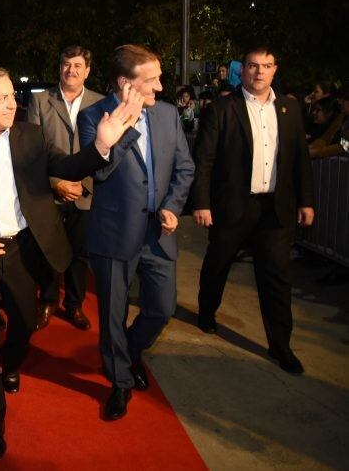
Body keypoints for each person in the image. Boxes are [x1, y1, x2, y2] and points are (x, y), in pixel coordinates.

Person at [0, 63, 143, 459]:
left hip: (22, 250)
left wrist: (100, 146)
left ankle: (11, 363)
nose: (14, 103)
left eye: (13, 94)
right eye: (3, 98)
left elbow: (66, 167)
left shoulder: (30, 136)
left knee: (25, 324)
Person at [78, 44, 194, 421]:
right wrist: (125, 124)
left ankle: (126, 352)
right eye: (152, 80)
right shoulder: (93, 116)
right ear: (125, 84)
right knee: (112, 314)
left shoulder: (168, 115)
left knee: (161, 308)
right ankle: (120, 382)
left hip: (158, 234)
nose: (160, 87)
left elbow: (184, 168)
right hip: (114, 233)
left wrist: (173, 207)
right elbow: (100, 172)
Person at [191, 46, 314, 374]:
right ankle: (207, 312)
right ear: (243, 70)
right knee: (217, 265)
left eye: (267, 66)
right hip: (232, 207)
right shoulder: (222, 108)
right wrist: (201, 203)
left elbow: (300, 158)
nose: (260, 72)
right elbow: (203, 159)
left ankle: (280, 345)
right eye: (253, 66)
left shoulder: (289, 108)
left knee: (276, 278)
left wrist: (306, 200)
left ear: (275, 70)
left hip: (275, 211)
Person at [27, 45, 104, 331]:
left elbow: (104, 150)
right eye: (66, 64)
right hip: (49, 191)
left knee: (79, 254)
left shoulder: (100, 103)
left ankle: (74, 305)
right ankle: (46, 300)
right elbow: (31, 150)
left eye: (77, 65)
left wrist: (81, 182)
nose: (71, 70)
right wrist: (55, 182)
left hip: (86, 192)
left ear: (87, 71)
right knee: (48, 250)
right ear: (59, 67)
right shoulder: (40, 101)